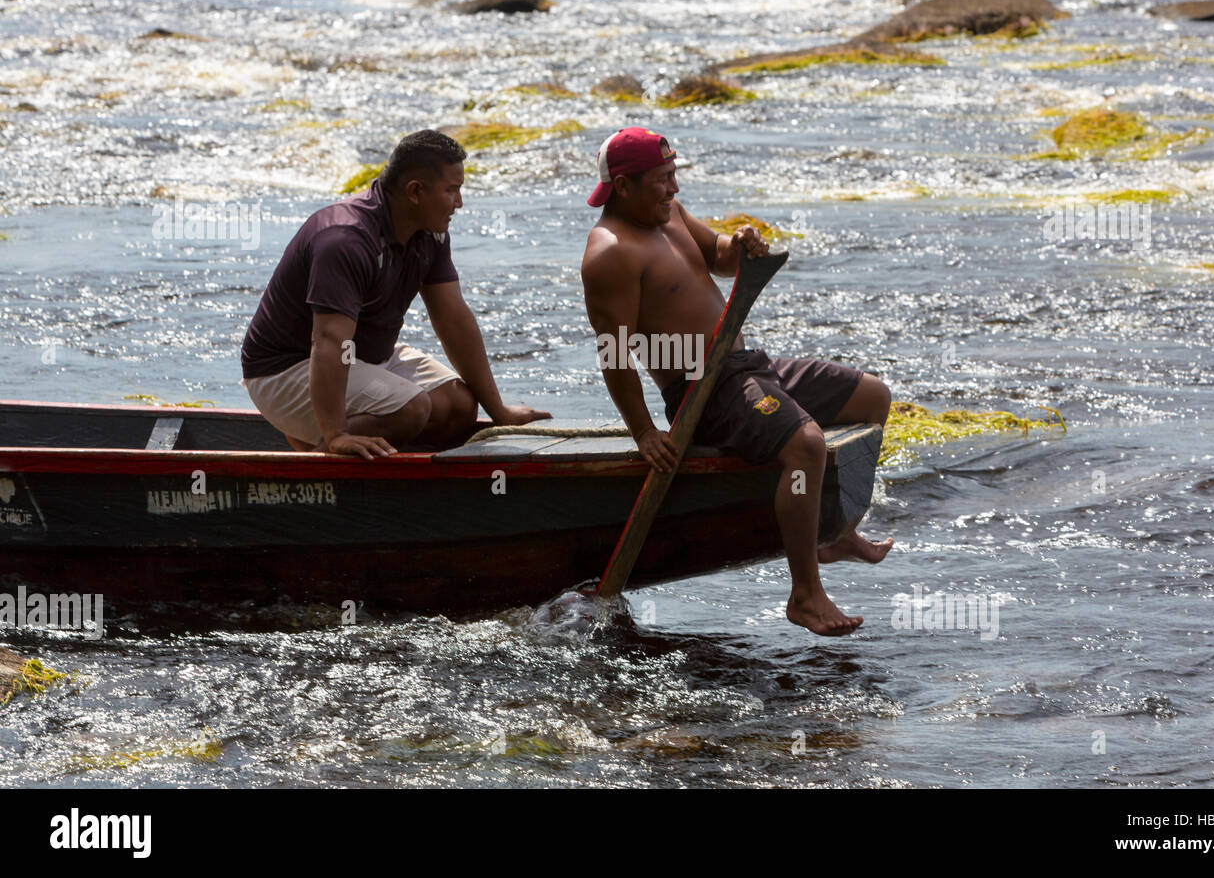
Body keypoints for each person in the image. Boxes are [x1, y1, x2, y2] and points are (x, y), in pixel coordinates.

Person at [580, 127, 893, 636]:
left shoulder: (669, 215)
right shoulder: (610, 253)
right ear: (623, 185)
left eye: (674, 176)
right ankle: (804, 595)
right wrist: (642, 431)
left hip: (748, 365)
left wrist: (740, 243)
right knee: (806, 446)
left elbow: (720, 258)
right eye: (661, 180)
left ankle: (834, 533)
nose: (674, 189)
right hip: (705, 392)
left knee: (872, 397)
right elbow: (614, 354)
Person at [241, 129, 550, 460]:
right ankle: (315, 461)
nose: (459, 203)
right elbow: (329, 341)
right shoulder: (345, 239)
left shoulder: (429, 234)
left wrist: (498, 410)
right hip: (286, 369)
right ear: (415, 192)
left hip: (362, 355)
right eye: (452, 191)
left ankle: (369, 455)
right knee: (411, 409)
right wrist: (336, 433)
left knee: (460, 406)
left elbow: (454, 319)